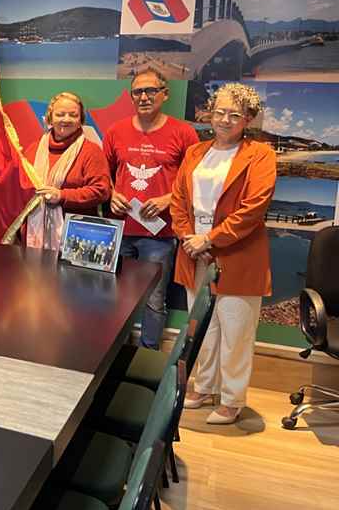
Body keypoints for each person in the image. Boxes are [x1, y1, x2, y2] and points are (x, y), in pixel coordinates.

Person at [171, 83, 275, 425]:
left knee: (235, 329)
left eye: (235, 114)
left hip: (238, 253)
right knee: (201, 326)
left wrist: (211, 240)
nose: (225, 120)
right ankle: (203, 386)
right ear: (209, 113)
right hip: (193, 251)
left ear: (248, 119)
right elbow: (178, 200)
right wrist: (189, 238)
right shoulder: (195, 153)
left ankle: (232, 398)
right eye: (219, 112)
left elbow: (252, 208)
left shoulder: (260, 155)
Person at [104, 69, 198, 349]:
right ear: (131, 96)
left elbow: (195, 178)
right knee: (113, 295)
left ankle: (148, 352)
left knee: (155, 299)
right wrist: (111, 193)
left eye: (151, 91)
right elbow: (102, 174)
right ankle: (112, 352)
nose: (144, 97)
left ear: (164, 94)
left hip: (160, 234)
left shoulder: (184, 133)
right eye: (138, 92)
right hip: (119, 229)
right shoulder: (115, 131)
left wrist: (169, 199)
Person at [23, 91, 112, 250]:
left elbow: (102, 191)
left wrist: (62, 195)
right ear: (50, 118)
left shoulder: (91, 151)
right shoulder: (33, 150)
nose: (66, 119)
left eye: (73, 115)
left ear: (81, 120)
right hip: (33, 236)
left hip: (76, 240)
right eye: (60, 114)